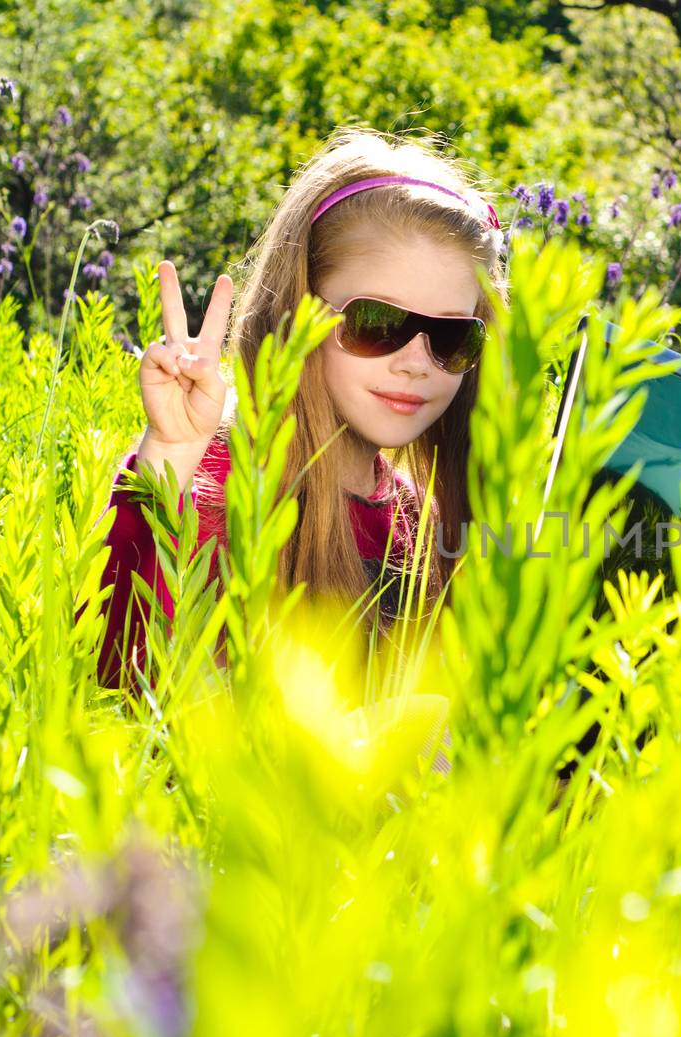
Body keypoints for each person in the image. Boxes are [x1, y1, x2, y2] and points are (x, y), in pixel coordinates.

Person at [94, 128, 507, 733]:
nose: (416, 361)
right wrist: (169, 465)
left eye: (450, 336)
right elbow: (123, 677)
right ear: (295, 311)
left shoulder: (421, 523)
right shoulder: (220, 481)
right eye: (377, 322)